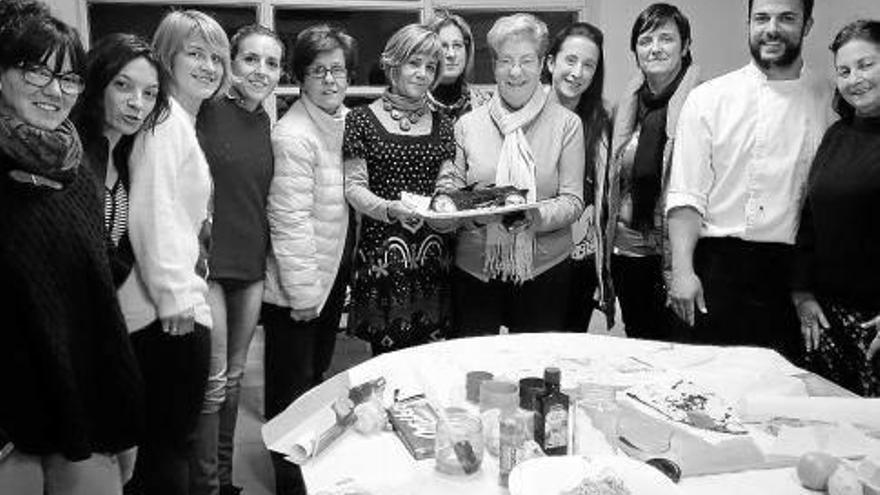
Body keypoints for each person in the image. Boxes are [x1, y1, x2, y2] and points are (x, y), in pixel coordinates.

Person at [0, 3, 143, 494]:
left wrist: (121, 408)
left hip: (83, 403)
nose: (55, 90)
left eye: (68, 78)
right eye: (36, 71)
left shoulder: (75, 167)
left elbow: (97, 297)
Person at [666, 0, 832, 362]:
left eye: (786, 18)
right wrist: (682, 271)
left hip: (790, 277)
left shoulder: (829, 98)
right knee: (703, 382)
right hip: (716, 268)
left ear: (807, 25)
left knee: (781, 388)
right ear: (749, 23)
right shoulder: (709, 98)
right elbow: (686, 195)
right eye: (761, 18)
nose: (771, 29)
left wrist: (805, 286)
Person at [117, 9, 229, 495]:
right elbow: (151, 210)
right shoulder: (163, 121)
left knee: (167, 446)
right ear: (166, 57)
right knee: (166, 451)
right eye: (195, 53)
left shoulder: (179, 119)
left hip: (174, 302)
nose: (209, 66)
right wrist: (175, 296)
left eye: (216, 57)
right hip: (167, 312)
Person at [436, 13, 585, 335]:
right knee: (476, 363)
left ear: (542, 63)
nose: (515, 71)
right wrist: (475, 212)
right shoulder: (467, 125)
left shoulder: (567, 124)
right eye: (506, 61)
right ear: (494, 66)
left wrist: (530, 216)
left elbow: (573, 201)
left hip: (544, 268)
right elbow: (453, 198)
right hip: (475, 268)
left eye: (526, 61)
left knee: (533, 363)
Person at [262, 25, 357, 495]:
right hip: (297, 287)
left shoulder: (342, 123)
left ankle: (310, 476)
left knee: (315, 381)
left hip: (328, 274)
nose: (329, 80)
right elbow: (289, 219)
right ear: (300, 77)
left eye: (337, 69)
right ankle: (289, 485)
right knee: (290, 396)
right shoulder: (294, 134)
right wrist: (303, 294)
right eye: (318, 71)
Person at [195, 23, 281, 495]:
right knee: (212, 384)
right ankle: (206, 485)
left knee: (233, 381)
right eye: (250, 59)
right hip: (208, 267)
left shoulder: (266, 122)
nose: (261, 71)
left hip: (250, 268)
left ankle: (224, 480)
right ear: (230, 62)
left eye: (272, 63)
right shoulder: (205, 111)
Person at [344, 23, 455, 354]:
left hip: (433, 259)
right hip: (383, 259)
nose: (422, 73)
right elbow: (354, 187)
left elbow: (446, 182)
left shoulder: (444, 123)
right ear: (393, 64)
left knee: (431, 363)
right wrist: (390, 209)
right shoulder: (360, 120)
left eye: (430, 67)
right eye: (414, 63)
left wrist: (446, 204)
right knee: (387, 365)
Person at [792, 19, 880, 397]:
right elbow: (810, 219)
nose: (854, 79)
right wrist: (802, 294)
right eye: (844, 71)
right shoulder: (837, 135)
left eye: (866, 65)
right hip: (827, 321)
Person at [605, 3, 700, 341]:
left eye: (666, 39)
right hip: (627, 254)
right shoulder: (627, 105)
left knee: (682, 350)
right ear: (635, 51)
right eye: (645, 41)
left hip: (679, 258)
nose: (655, 48)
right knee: (640, 348)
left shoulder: (703, 103)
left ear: (685, 46)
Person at [75, 33, 169, 288]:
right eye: (122, 85)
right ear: (97, 84)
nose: (137, 103)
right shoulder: (70, 153)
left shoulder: (132, 157)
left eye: (149, 93)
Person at [543, 22, 613, 332]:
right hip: (540, 258)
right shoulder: (529, 116)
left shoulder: (602, 121)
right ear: (550, 62)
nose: (577, 72)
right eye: (570, 60)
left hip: (582, 259)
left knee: (571, 347)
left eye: (588, 65)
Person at [426, 10, 491, 121]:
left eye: (457, 45)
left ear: (467, 51)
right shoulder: (413, 104)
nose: (451, 54)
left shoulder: (485, 106)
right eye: (443, 46)